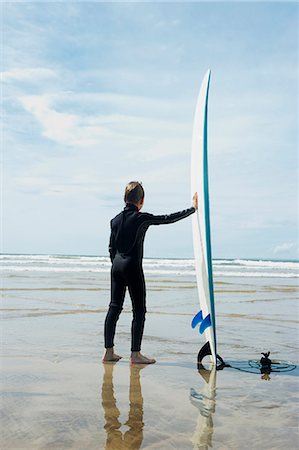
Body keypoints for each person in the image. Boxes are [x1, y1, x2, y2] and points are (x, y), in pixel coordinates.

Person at [103, 181, 198, 364]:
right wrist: (192, 209)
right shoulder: (141, 218)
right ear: (142, 200)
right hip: (132, 267)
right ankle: (135, 355)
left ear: (125, 198)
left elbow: (111, 247)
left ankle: (108, 353)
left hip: (116, 267)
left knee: (114, 308)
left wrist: (116, 264)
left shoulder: (114, 220)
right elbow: (167, 218)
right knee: (139, 311)